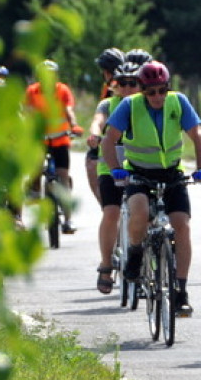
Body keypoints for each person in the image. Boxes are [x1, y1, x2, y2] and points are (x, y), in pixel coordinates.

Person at [101, 61, 201, 316]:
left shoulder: (179, 102)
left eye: (161, 90)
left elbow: (198, 135)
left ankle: (181, 291)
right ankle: (136, 251)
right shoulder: (130, 106)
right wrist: (115, 168)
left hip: (172, 173)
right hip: (139, 173)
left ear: (167, 88)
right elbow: (109, 140)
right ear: (142, 91)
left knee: (182, 225)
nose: (157, 97)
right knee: (138, 212)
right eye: (150, 92)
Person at [88, 61, 141, 293]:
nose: (128, 87)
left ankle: (144, 264)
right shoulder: (108, 104)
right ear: (114, 86)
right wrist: (94, 134)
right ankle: (106, 265)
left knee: (146, 213)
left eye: (133, 83)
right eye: (122, 83)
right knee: (111, 212)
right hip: (110, 167)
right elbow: (98, 121)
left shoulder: (144, 105)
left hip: (138, 166)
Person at [24, 60, 83, 233]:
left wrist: (74, 126)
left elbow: (68, 110)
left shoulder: (62, 90)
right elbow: (27, 113)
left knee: (63, 177)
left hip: (59, 140)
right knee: (35, 170)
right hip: (39, 140)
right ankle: (34, 191)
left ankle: (68, 220)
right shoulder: (32, 91)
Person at [86, 48, 126, 206]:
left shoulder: (116, 86)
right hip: (108, 136)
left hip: (115, 138)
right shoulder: (111, 88)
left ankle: (105, 204)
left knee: (91, 163)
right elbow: (100, 115)